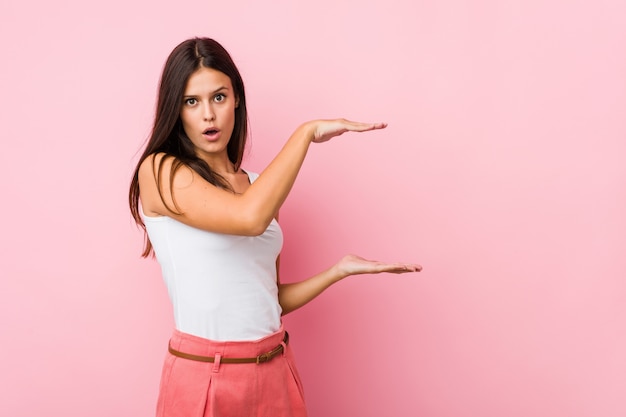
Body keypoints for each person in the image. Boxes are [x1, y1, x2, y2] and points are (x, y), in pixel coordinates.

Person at [129, 37, 421, 417]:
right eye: (191, 101)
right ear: (177, 109)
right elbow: (248, 219)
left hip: (276, 369)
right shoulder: (160, 170)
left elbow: (268, 301)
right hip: (206, 377)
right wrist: (306, 133)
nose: (208, 115)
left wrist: (337, 271)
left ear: (237, 100)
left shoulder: (258, 187)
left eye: (218, 97)